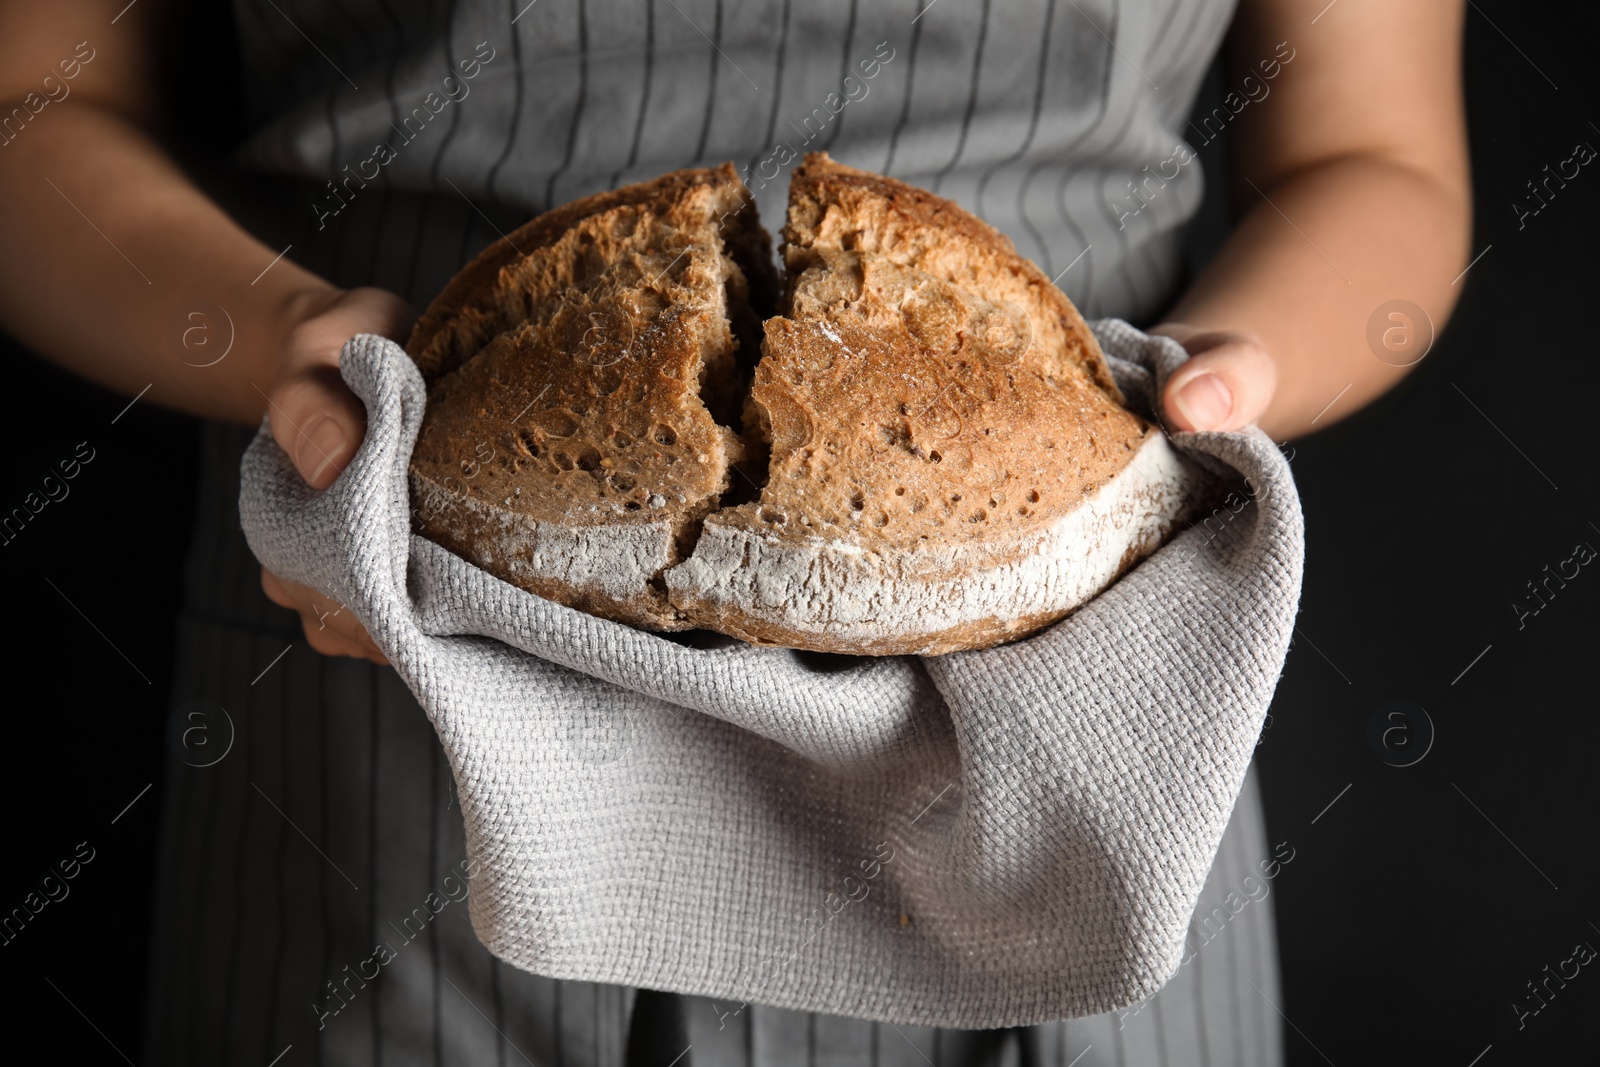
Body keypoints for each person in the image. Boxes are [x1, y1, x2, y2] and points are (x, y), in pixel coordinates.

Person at [0, 0, 1469, 1063]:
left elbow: (1373, 150)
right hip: (396, 708)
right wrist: (287, 341)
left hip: (1072, 721)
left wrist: (1221, 384)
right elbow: (35, 105)